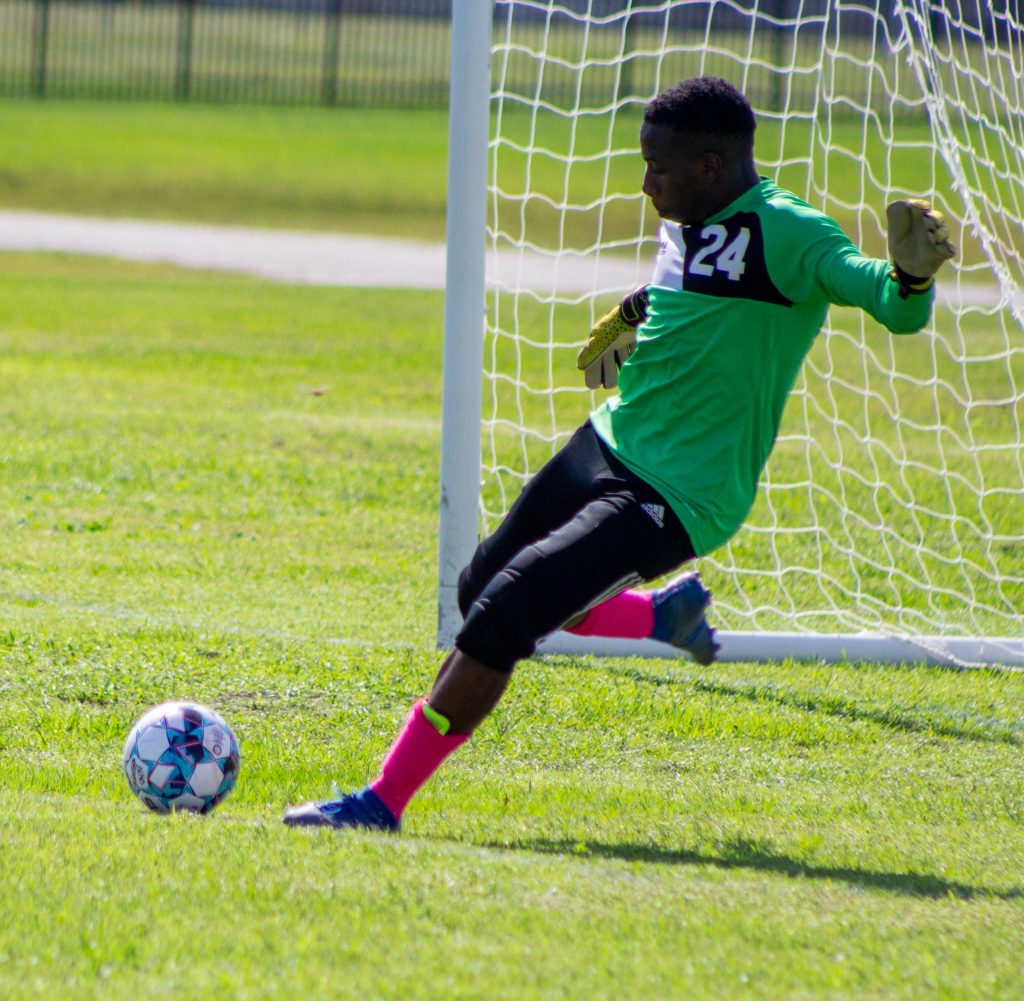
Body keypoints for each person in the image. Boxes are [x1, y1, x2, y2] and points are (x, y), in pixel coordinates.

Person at [284, 76, 955, 831]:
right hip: (607, 443)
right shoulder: (689, 217)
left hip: (677, 494)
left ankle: (380, 803)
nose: (646, 184)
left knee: (505, 614)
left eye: (658, 169)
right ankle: (660, 617)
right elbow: (686, 300)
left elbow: (886, 301)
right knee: (478, 589)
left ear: (709, 166)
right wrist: (635, 313)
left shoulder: (791, 232)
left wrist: (911, 278)